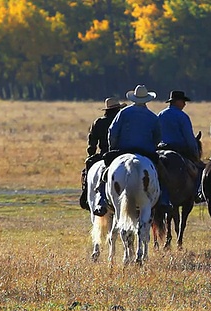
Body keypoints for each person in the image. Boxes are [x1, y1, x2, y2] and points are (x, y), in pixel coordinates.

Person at [93, 84, 171, 216]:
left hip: (123, 151)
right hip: (145, 152)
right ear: (147, 100)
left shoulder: (123, 113)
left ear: (134, 98)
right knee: (162, 173)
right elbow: (158, 137)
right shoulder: (152, 116)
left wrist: (113, 148)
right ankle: (164, 200)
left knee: (105, 171)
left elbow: (112, 132)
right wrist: (152, 146)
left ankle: (101, 198)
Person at [79, 97, 126, 210]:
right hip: (122, 153)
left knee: (89, 166)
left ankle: (86, 193)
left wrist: (91, 155)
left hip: (104, 154)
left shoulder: (99, 122)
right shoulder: (122, 122)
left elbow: (92, 144)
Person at [157, 90, 199, 162]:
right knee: (195, 171)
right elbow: (189, 137)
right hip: (180, 150)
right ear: (177, 101)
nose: (184, 104)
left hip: (161, 147)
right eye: (183, 101)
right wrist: (195, 152)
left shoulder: (161, 114)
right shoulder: (182, 116)